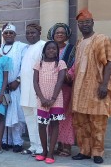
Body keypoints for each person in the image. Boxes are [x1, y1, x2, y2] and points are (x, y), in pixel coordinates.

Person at [71, 9, 111, 164]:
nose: (84, 25)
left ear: (92, 23)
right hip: (80, 91)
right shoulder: (79, 42)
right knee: (81, 123)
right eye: (81, 23)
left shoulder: (101, 39)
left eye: (87, 22)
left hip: (96, 89)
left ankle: (98, 153)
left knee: (97, 122)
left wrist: (104, 85)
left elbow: (110, 61)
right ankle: (84, 151)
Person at [33, 41, 66, 164]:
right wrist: (42, 98)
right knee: (42, 125)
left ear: (57, 51)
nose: (51, 51)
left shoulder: (60, 63)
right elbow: (35, 82)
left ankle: (51, 153)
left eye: (54, 49)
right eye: (48, 49)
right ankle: (44, 151)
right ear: (44, 51)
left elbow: (60, 81)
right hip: (41, 99)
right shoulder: (39, 64)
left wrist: (52, 99)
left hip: (56, 99)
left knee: (54, 124)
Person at [47, 23, 75, 157]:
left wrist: (66, 75)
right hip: (51, 89)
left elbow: (75, 66)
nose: (60, 34)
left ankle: (67, 146)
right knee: (54, 117)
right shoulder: (49, 48)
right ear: (53, 34)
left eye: (62, 33)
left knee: (66, 117)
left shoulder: (71, 49)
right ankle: (57, 144)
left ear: (67, 35)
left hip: (65, 88)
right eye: (57, 32)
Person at [0, 23, 27, 152]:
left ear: (15, 35)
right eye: (6, 33)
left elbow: (25, 66)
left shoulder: (21, 47)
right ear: (3, 35)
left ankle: (17, 142)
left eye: (11, 33)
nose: (8, 35)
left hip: (16, 87)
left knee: (16, 114)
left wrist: (18, 80)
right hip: (2, 88)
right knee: (2, 115)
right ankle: (5, 140)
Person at [20, 23, 45, 156]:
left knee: (38, 119)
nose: (30, 35)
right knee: (29, 119)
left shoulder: (43, 45)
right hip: (25, 90)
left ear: (39, 33)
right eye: (28, 33)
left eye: (33, 32)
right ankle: (33, 145)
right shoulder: (28, 48)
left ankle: (42, 147)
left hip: (37, 90)